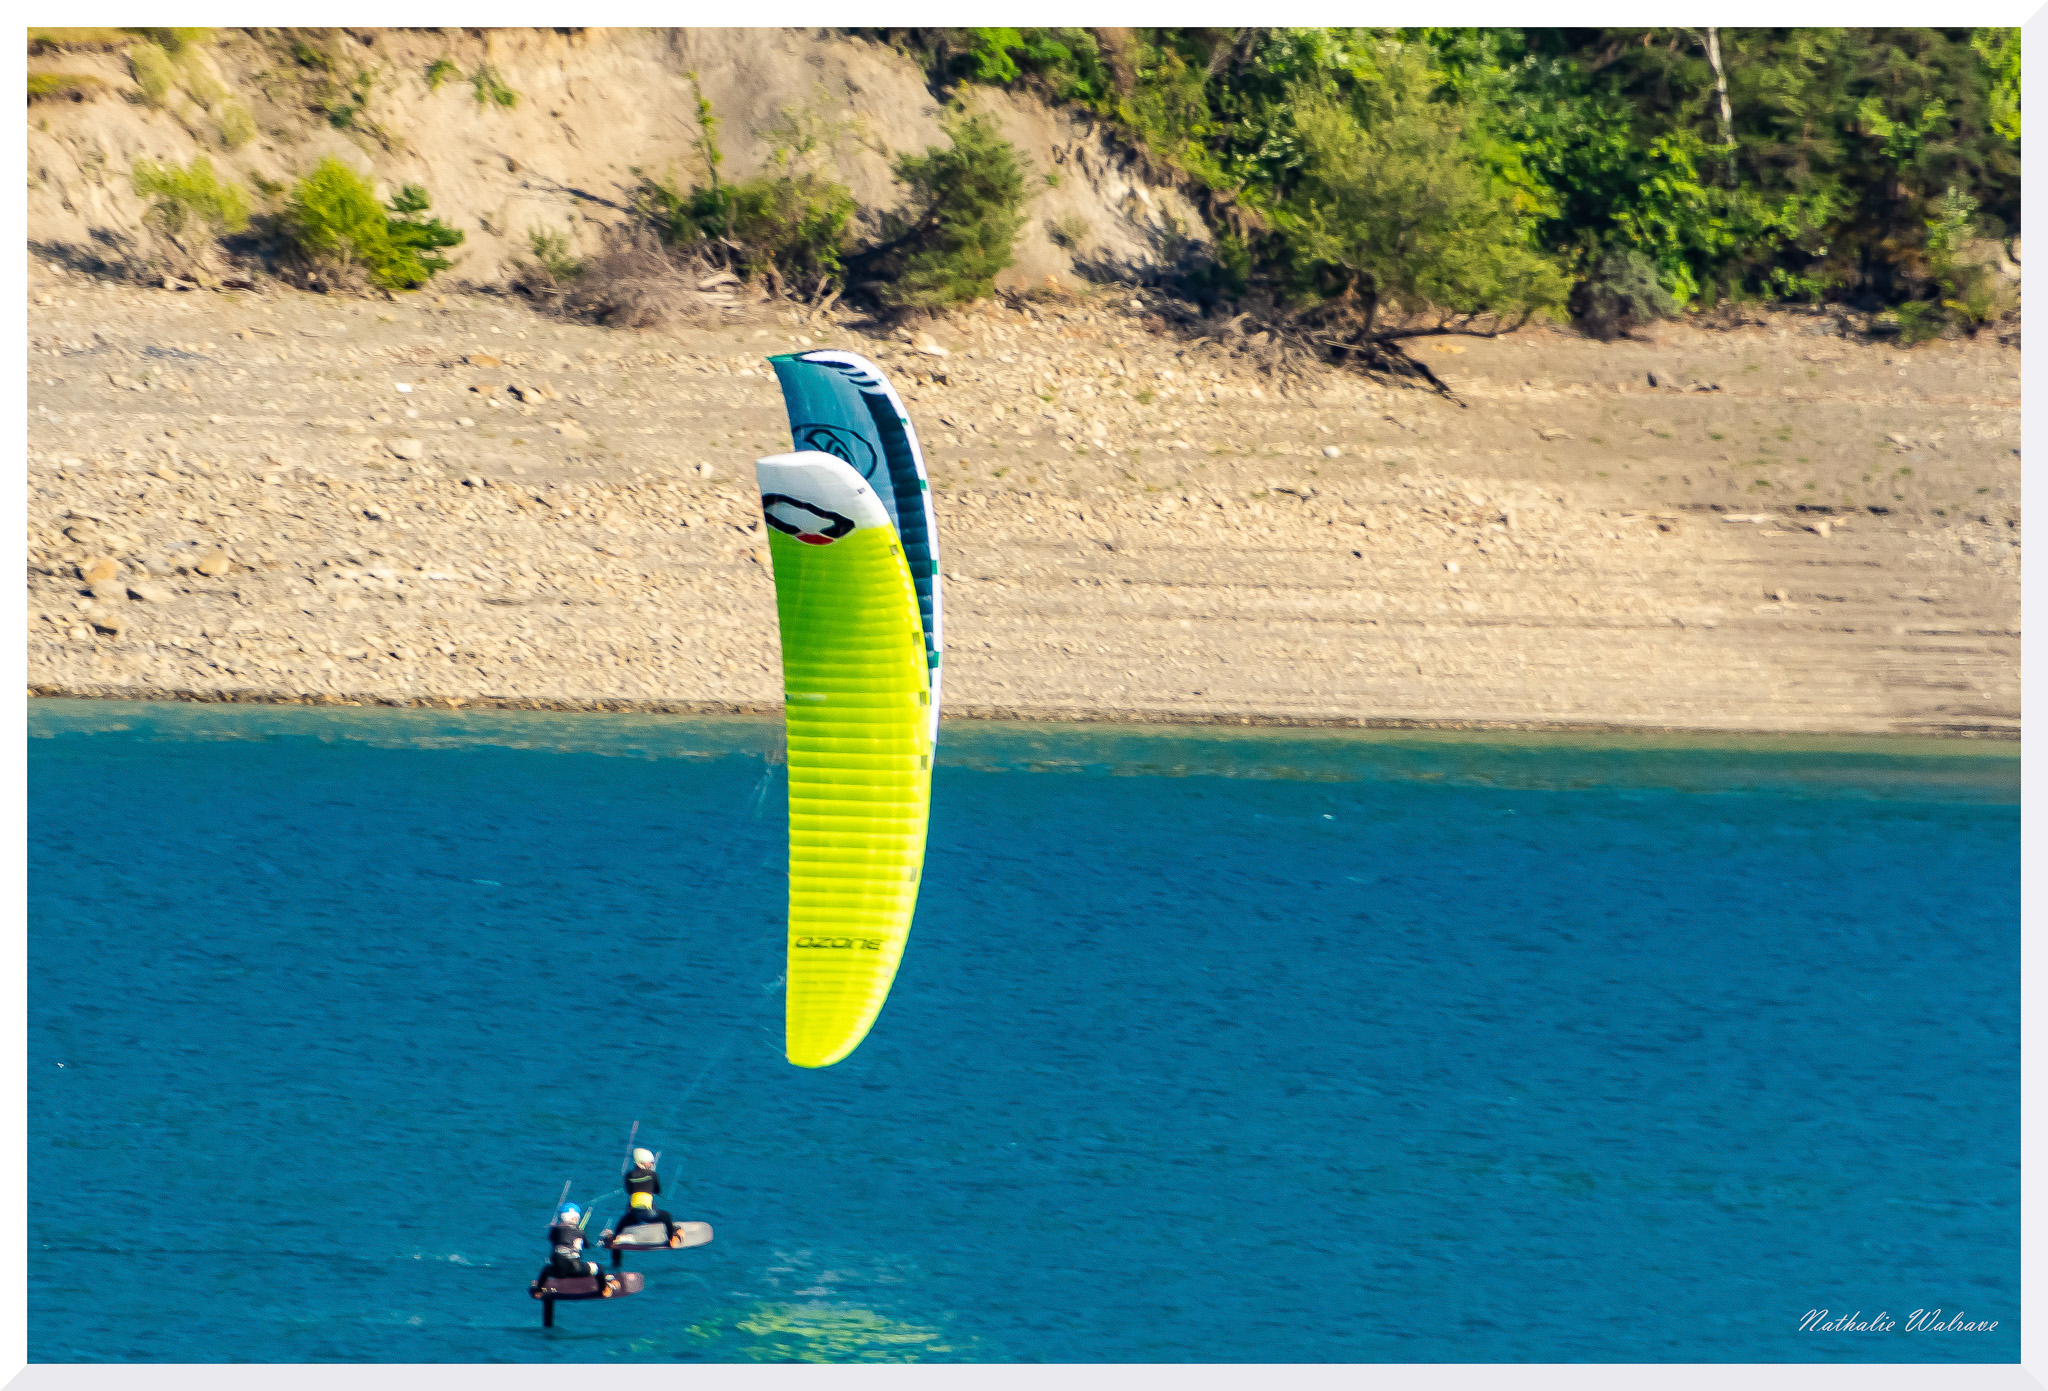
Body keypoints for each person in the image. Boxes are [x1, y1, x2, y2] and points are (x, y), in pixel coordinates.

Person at [605, 1148, 679, 1244]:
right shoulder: (653, 1175)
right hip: (648, 1214)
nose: (651, 1164)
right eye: (649, 1163)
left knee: (623, 1221)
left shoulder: (628, 1175)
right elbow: (657, 1190)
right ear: (641, 1163)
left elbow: (629, 1190)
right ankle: (671, 1238)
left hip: (634, 1213)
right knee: (666, 1216)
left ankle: (614, 1238)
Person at [536, 1204, 610, 1292]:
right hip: (576, 1269)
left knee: (546, 1269)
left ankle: (538, 1289)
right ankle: (604, 1289)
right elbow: (587, 1246)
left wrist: (554, 1227)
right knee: (599, 1268)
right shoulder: (580, 1231)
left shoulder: (555, 1229)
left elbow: (551, 1238)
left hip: (559, 1271)